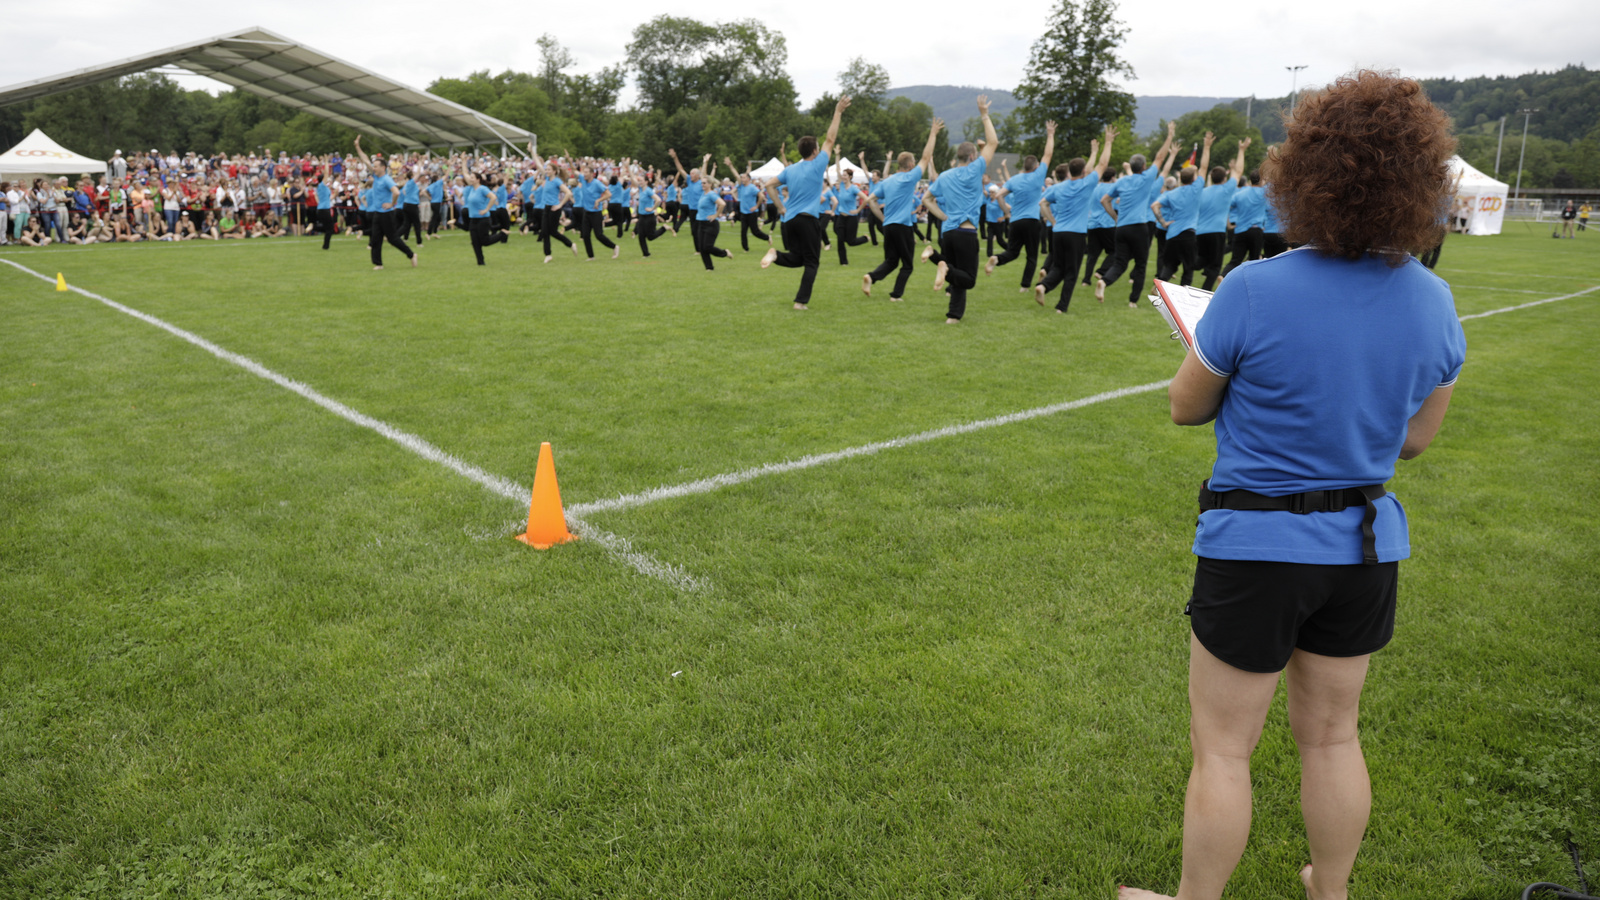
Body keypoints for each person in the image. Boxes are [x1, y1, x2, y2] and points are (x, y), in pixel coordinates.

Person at [1118, 70, 1465, 900]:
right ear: (1421, 182)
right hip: (1364, 545)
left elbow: (1183, 406)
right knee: (1334, 738)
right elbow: (1415, 441)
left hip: (1257, 544)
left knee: (1225, 749)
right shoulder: (1434, 300)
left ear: (1302, 175)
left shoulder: (1253, 287)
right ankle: (1331, 890)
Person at [761, 95, 852, 310]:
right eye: (818, 147)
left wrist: (782, 208)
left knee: (798, 258)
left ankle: (776, 254)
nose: (821, 149)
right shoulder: (818, 163)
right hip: (808, 219)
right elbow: (830, 139)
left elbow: (768, 186)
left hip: (789, 222)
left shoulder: (790, 169)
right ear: (814, 151)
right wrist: (837, 112)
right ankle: (800, 303)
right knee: (812, 262)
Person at [918, 95, 1000, 323]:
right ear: (973, 157)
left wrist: (944, 216)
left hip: (948, 232)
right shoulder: (975, 170)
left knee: (956, 276)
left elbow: (926, 199)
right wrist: (984, 114)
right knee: (969, 279)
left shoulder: (945, 175)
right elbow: (993, 143)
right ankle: (940, 263)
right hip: (966, 232)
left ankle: (953, 316)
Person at [1035, 124, 1116, 312]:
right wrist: (1108, 142)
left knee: (1058, 268)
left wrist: (1052, 222)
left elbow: (1043, 204)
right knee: (1071, 273)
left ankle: (1043, 286)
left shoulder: (1059, 187)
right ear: (1083, 173)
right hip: (1076, 235)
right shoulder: (1086, 184)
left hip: (1058, 233)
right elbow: (1102, 165)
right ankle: (1061, 307)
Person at [1096, 123, 1177, 307]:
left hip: (1121, 228)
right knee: (1140, 265)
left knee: (1119, 263)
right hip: (1139, 227)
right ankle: (1133, 301)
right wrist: (1169, 136)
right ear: (1144, 167)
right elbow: (1160, 157)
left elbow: (1104, 201)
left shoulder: (1122, 182)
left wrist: (1115, 218)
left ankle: (1104, 281)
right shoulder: (1147, 178)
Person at [861, 118, 942, 301]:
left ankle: (871, 277)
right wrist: (933, 133)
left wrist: (882, 219)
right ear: (911, 165)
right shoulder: (910, 178)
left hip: (888, 227)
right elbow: (926, 157)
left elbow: (871, 200)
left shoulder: (887, 181)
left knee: (891, 261)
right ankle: (896, 295)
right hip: (903, 226)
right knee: (907, 265)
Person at [987, 120, 1057, 291]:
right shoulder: (1038, 175)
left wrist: (1006, 212)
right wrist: (1050, 134)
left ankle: (997, 259)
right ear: (1035, 167)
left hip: (1016, 221)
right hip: (1032, 220)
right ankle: (1025, 286)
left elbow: (999, 195)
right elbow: (1048, 154)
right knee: (1032, 256)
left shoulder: (1014, 179)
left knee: (1012, 252)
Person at [350, 136, 416, 270]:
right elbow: (365, 159)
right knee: (375, 239)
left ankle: (411, 254)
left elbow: (396, 192)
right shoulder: (375, 176)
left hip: (387, 214)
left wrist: (392, 204)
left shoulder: (386, 179)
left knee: (393, 239)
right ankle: (378, 264)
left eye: (376, 166)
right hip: (377, 213)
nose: (373, 168)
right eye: (373, 166)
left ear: (383, 167)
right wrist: (357, 146)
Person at [1195, 138, 1251, 290]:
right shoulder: (1227, 190)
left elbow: (1203, 167)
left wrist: (1206, 147)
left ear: (1211, 179)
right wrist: (1241, 150)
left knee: (1200, 261)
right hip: (1216, 233)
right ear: (1224, 179)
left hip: (1199, 233)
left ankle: (1185, 261)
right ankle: (1204, 292)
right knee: (1214, 267)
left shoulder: (1202, 191)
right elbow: (1239, 171)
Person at [464, 172, 506, 265]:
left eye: (472, 178)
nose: (470, 179)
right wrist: (463, 161)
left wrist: (486, 209)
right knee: (475, 242)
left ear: (478, 179)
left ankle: (502, 234)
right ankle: (480, 262)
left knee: (485, 241)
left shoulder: (482, 189)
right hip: (473, 220)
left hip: (483, 219)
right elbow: (465, 174)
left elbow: (493, 197)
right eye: (470, 177)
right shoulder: (471, 189)